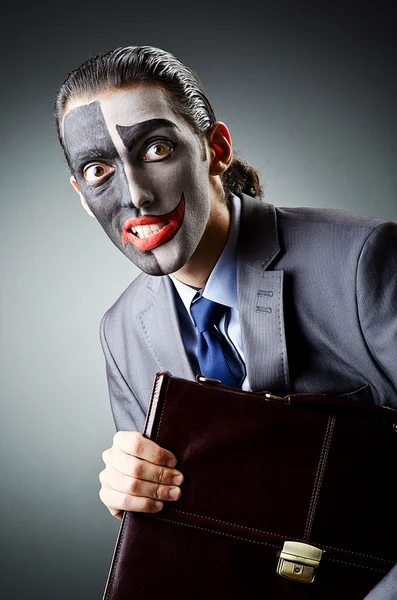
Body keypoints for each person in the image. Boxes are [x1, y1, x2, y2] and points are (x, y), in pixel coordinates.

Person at [54, 45, 397, 598]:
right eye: (98, 169)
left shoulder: (363, 260)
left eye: (157, 148)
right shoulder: (121, 333)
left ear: (216, 149)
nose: (135, 195)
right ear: (81, 195)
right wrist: (138, 499)